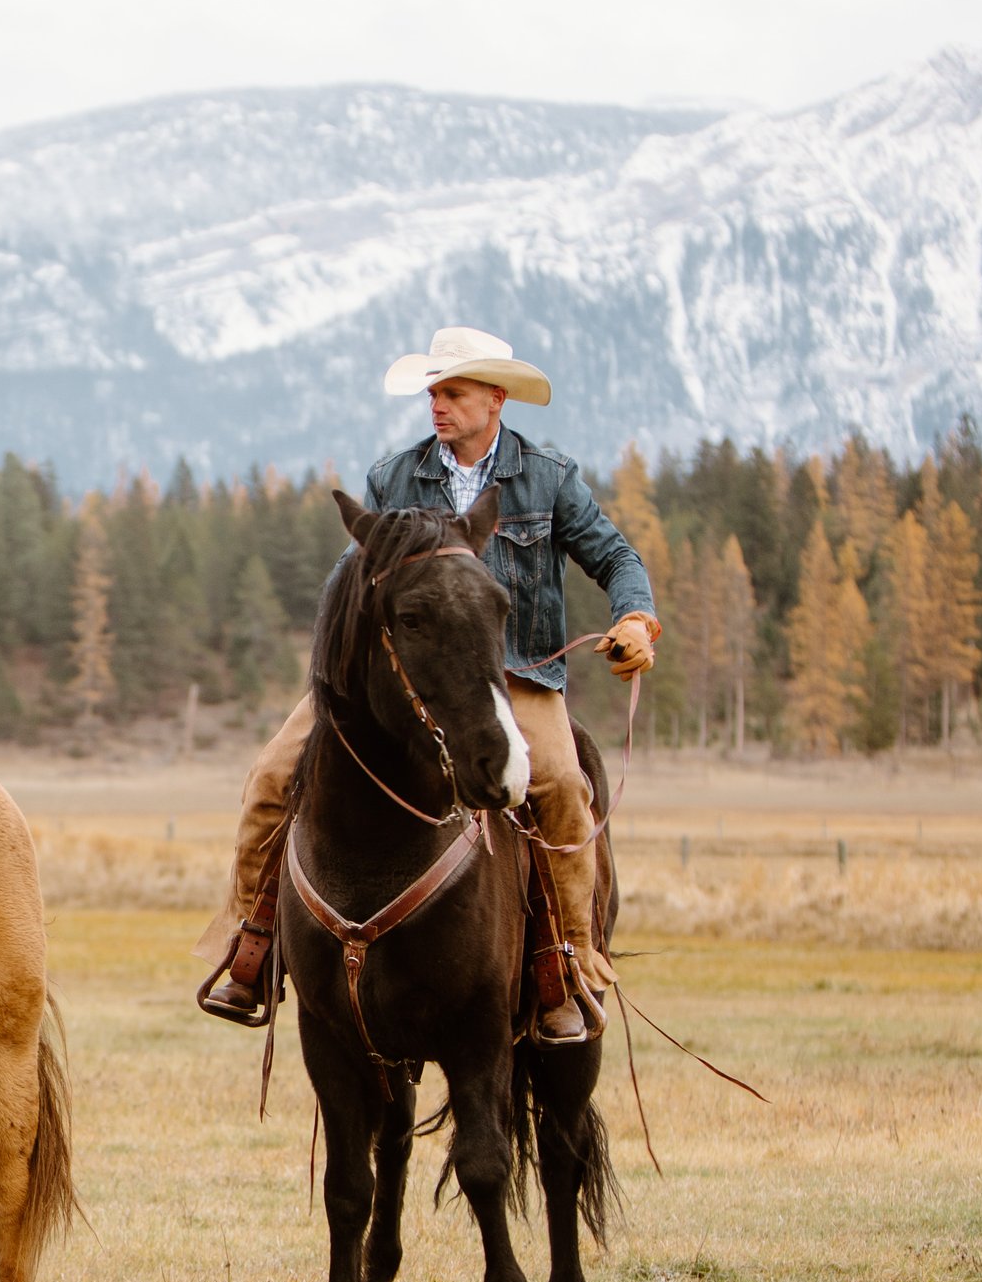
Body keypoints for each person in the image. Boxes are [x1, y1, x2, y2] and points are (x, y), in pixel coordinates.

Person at [198, 327, 659, 1042]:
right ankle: (252, 942)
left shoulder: (550, 476)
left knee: (562, 786)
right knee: (270, 774)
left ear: (495, 399)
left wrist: (635, 617)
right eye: (433, 392)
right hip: (402, 675)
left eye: (452, 392)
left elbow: (615, 556)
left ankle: (568, 963)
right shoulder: (394, 477)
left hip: (517, 673)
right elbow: (348, 580)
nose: (437, 405)